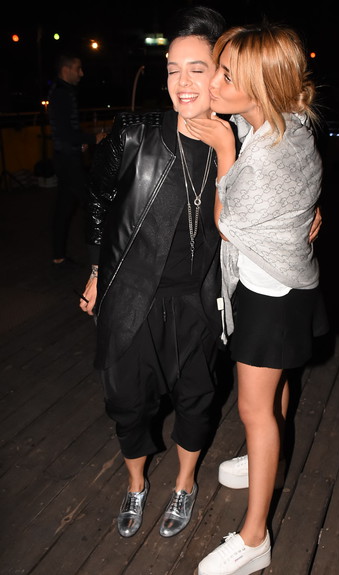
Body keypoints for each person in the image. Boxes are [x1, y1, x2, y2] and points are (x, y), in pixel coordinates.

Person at [79, 6, 229, 540]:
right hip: (132, 295)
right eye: (172, 69)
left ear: (222, 73)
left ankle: (184, 483)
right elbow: (99, 199)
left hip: (197, 297)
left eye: (196, 69)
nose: (182, 82)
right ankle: (136, 484)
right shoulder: (133, 134)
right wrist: (97, 269)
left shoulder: (240, 141)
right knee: (126, 401)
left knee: (196, 397)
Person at [186, 23, 329, 575]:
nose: (214, 85)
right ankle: (261, 456)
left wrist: (224, 151)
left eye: (226, 76)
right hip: (284, 284)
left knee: (254, 409)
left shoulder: (263, 154)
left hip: (272, 294)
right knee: (276, 386)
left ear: (262, 87)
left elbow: (229, 224)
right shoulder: (287, 121)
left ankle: (254, 539)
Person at [48, 52, 106, 267]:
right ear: (66, 69)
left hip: (65, 157)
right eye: (78, 68)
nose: (81, 73)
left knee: (64, 209)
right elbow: (66, 132)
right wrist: (93, 138)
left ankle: (59, 256)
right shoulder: (62, 94)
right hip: (68, 161)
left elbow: (66, 131)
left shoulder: (61, 92)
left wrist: (78, 142)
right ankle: (102, 259)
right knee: (93, 205)